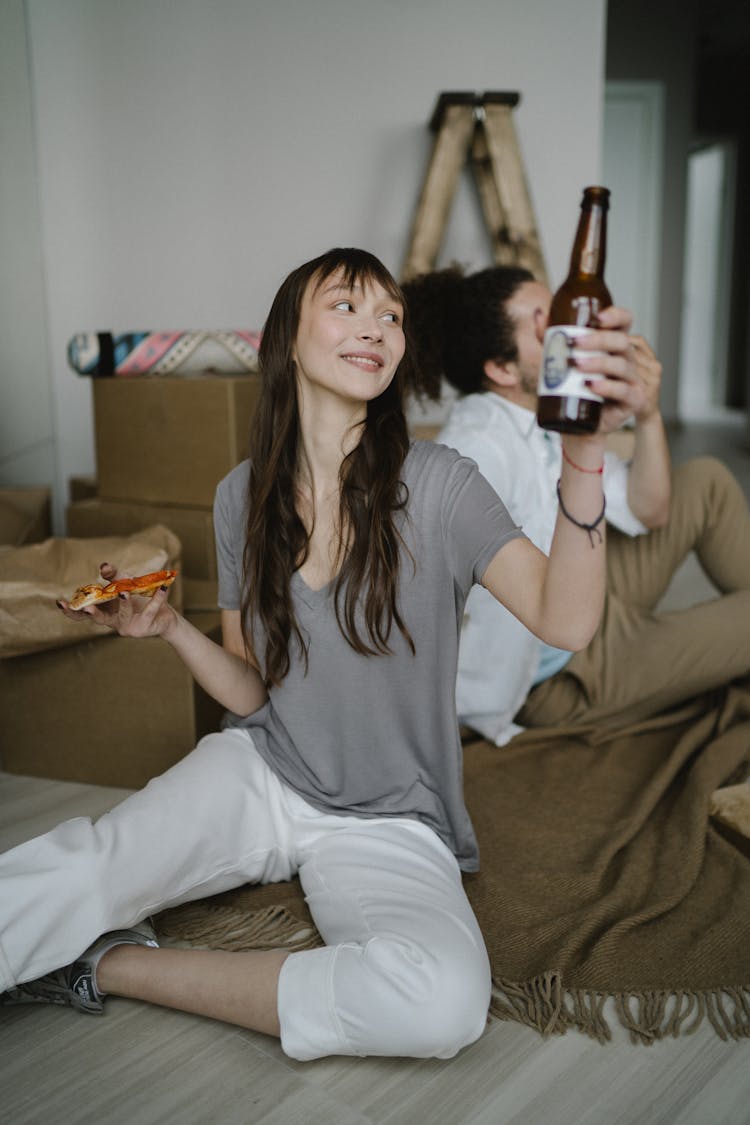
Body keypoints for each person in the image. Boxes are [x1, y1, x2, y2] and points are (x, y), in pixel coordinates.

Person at [1, 248, 646, 1061]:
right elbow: (252, 694)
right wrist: (169, 628)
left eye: (391, 316)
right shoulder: (241, 495)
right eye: (347, 305)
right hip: (266, 771)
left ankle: (115, 962)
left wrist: (584, 455)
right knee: (84, 869)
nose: (376, 326)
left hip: (390, 817)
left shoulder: (444, 484)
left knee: (442, 1003)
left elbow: (567, 619)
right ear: (289, 338)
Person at [403, 264, 750, 745]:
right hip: (555, 672)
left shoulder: (547, 411)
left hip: (586, 594)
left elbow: (652, 512)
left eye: (563, 312)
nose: (571, 330)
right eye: (544, 324)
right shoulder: (479, 450)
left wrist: (647, 414)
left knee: (706, 480)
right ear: (502, 370)